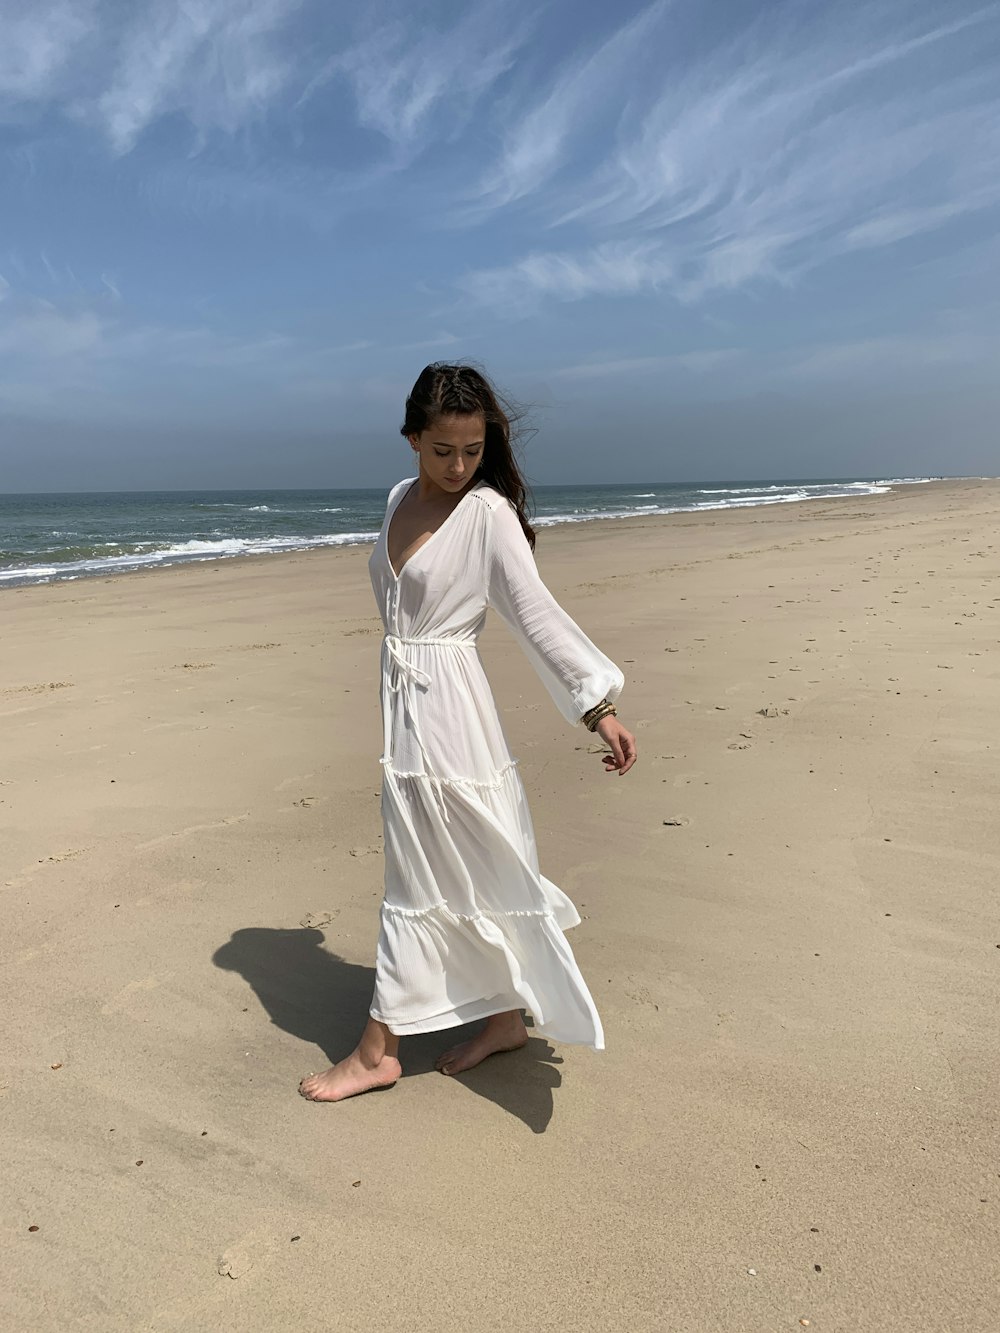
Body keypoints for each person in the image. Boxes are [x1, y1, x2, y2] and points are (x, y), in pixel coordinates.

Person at [299, 363, 637, 1102]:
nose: (458, 467)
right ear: (413, 438)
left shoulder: (487, 514)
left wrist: (596, 704)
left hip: (451, 715)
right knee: (458, 864)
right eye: (443, 450)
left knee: (420, 874)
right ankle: (507, 1017)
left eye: (473, 450)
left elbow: (536, 614)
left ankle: (377, 1049)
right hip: (404, 708)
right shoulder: (395, 498)